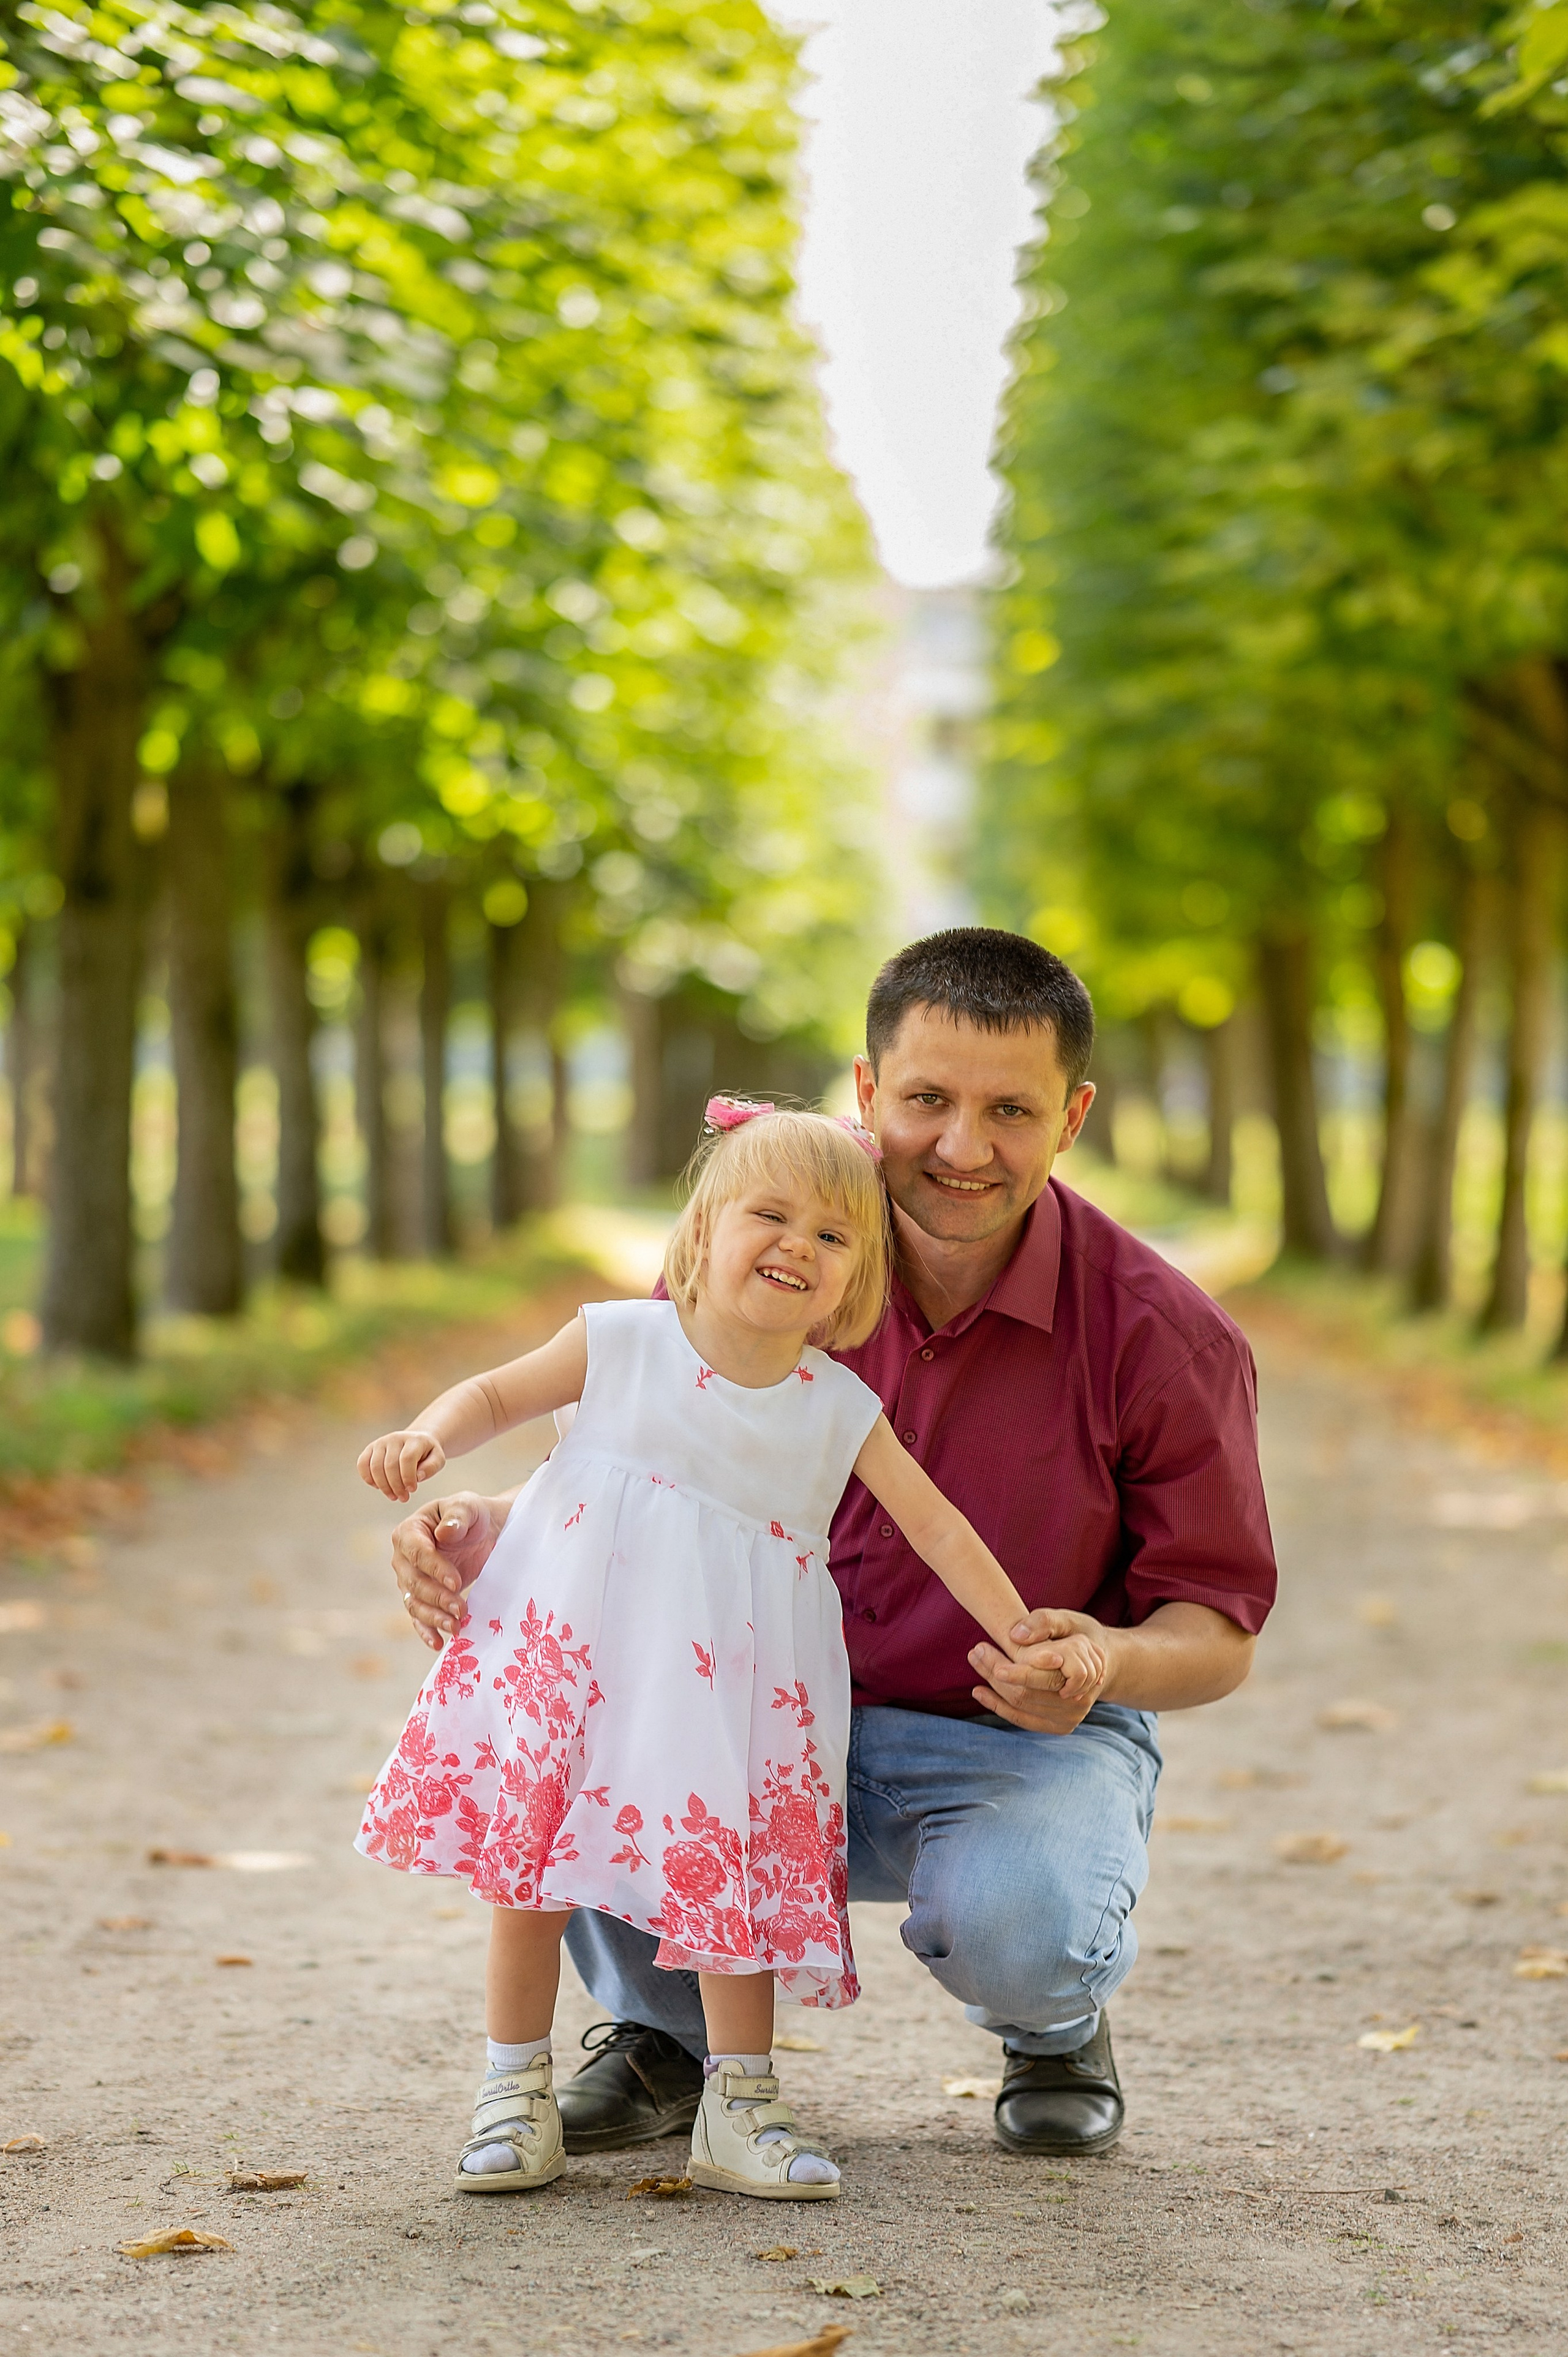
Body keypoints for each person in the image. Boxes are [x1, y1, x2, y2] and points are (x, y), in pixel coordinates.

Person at [391, 927, 1278, 2162]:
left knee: (1021, 1919)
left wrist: (1101, 1664)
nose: (962, 1147)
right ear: (867, 1089)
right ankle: (661, 2032)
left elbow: (1216, 1628)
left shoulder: (1160, 1337)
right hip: (735, 1707)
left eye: (1008, 1110)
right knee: (585, 1758)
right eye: (926, 1099)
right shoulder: (756, 1243)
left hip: (999, 1736)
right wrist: (476, 1527)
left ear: (1071, 1116)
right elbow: (628, 1478)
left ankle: (1054, 2016)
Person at [355, 1100, 1104, 2200]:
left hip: (740, 1687)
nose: (799, 1244)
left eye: (835, 1236)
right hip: (583, 1670)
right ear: (703, 1230)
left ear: (857, 1284)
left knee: (732, 1884)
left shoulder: (835, 1406)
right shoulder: (622, 1342)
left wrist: (1022, 1626)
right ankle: (512, 2090)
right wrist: (431, 1434)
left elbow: (938, 1525)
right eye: (771, 1214)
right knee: (531, 1878)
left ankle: (739, 2101)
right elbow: (497, 1394)